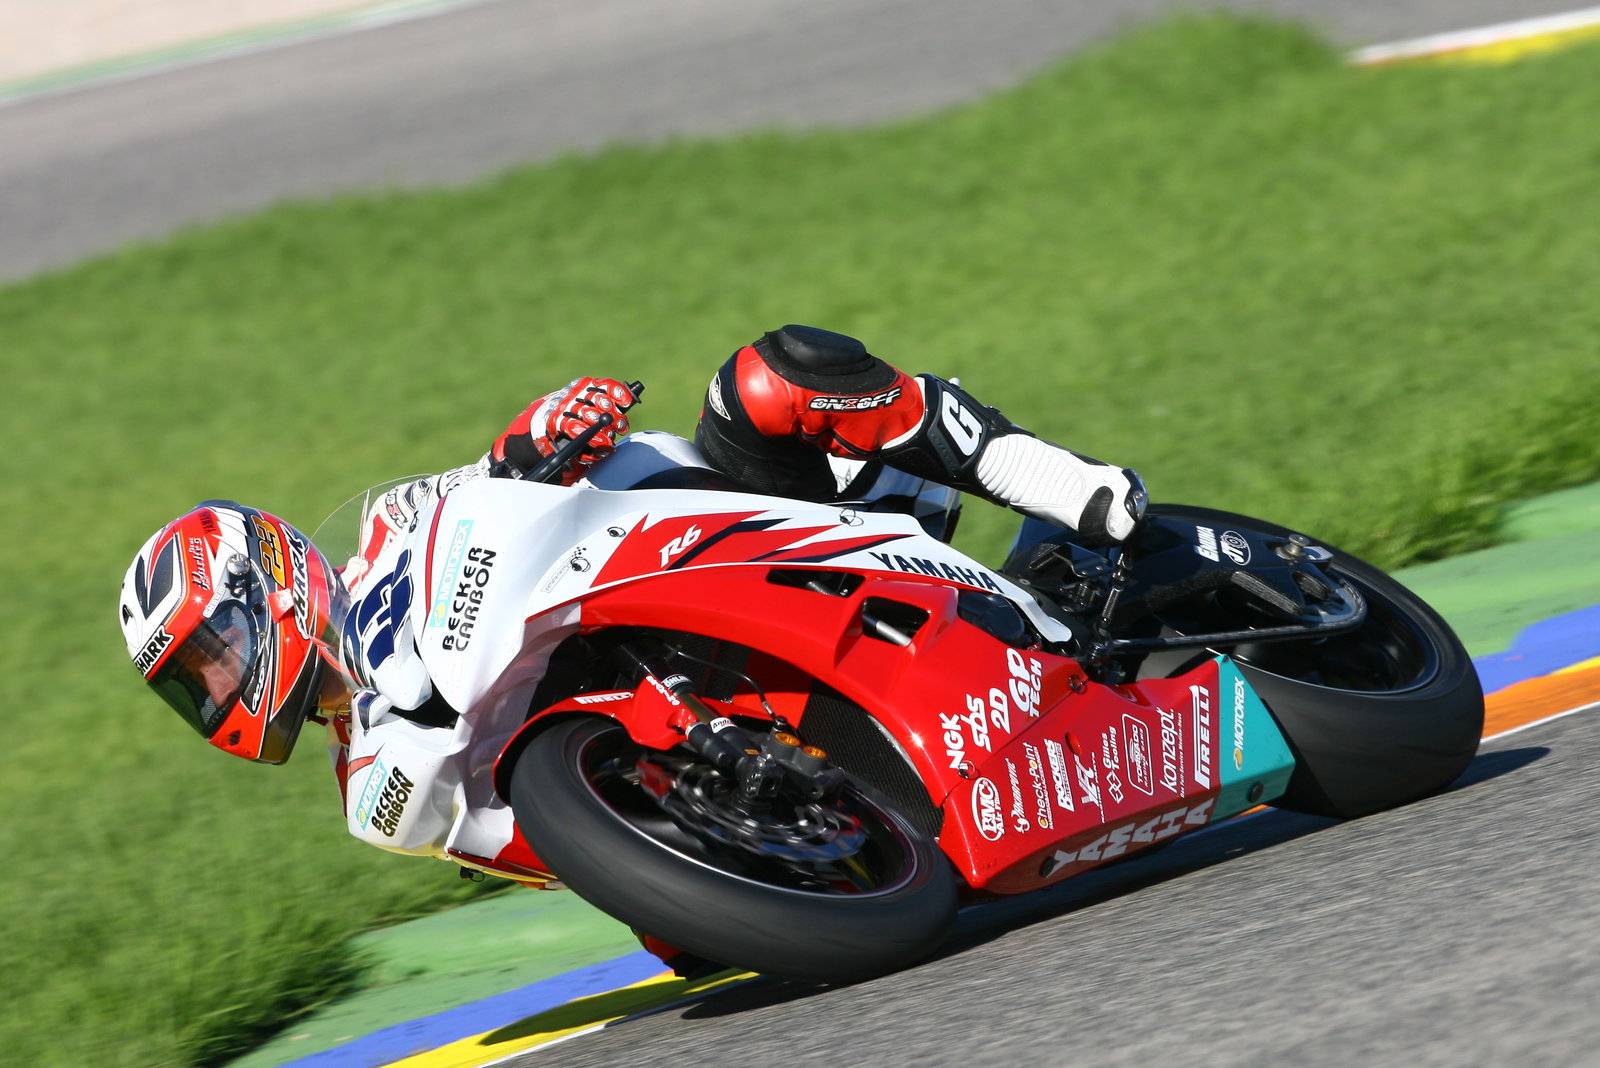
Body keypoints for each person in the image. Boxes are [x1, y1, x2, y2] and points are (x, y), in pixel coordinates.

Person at [117, 325, 1145, 968]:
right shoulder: (368, 785)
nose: (214, 688)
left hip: (738, 534)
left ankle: (1050, 479)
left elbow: (491, 487)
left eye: (210, 651)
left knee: (767, 374)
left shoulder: (395, 528)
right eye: (190, 686)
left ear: (268, 581)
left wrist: (534, 443)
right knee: (684, 949)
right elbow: (509, 839)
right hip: (715, 799)